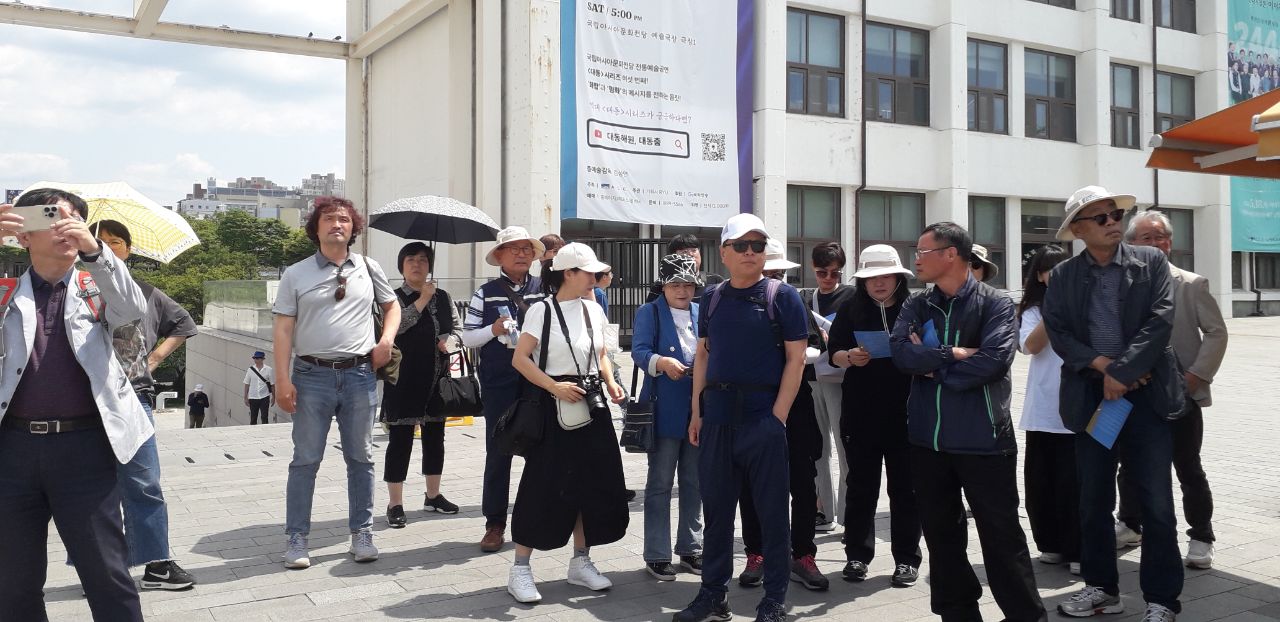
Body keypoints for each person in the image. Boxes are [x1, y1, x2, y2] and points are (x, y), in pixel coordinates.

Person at [0, 189, 152, 621]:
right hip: (12, 449)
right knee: (12, 580)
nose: (65, 226)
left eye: (74, 219)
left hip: (84, 446)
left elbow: (133, 310)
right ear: (23, 233)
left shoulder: (96, 287)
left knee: (106, 571)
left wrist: (96, 252)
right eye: (51, 217)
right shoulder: (6, 291)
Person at [1043, 187, 1186, 622]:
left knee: (1156, 501)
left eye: (1115, 214)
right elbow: (1059, 332)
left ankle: (1162, 599)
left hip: (1147, 396)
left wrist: (1123, 373)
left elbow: (1160, 319)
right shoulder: (1064, 275)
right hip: (1093, 396)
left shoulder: (1151, 261)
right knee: (1093, 500)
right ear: (1078, 230)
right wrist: (1107, 368)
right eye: (1100, 217)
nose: (1112, 222)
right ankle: (1102, 588)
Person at [891, 222, 1046, 622]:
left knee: (1002, 539)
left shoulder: (996, 304)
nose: (916, 260)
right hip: (927, 442)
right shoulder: (916, 305)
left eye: (922, 251)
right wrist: (954, 353)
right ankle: (957, 614)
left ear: (950, 255)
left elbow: (993, 362)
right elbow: (902, 356)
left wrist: (933, 366)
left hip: (985, 441)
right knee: (942, 540)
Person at [674, 214, 808, 622]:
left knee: (772, 514)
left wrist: (778, 416)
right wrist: (697, 412)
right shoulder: (712, 297)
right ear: (724, 252)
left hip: (762, 417)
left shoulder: (782, 296)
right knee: (717, 514)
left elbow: (796, 358)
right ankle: (713, 594)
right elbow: (703, 354)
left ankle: (774, 600)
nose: (751, 252)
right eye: (742, 245)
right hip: (717, 417)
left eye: (758, 245)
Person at [272, 196, 399, 569]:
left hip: (360, 375)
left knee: (361, 457)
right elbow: (283, 329)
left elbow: (391, 306)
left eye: (344, 219)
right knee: (305, 459)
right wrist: (282, 379)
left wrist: (386, 341)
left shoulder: (368, 267)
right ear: (316, 227)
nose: (336, 224)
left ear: (353, 227)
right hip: (311, 376)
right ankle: (297, 538)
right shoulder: (295, 274)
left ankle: (362, 533)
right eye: (328, 219)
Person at [507, 243, 629, 603]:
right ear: (568, 274)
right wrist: (553, 386)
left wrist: (610, 381)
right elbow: (520, 359)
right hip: (553, 405)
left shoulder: (594, 308)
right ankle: (520, 568)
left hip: (591, 404)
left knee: (592, 484)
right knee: (542, 484)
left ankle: (581, 561)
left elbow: (601, 354)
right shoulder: (541, 310)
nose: (595, 277)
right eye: (588, 272)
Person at [93, 218, 200, 590]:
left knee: (144, 482)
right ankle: (96, 565)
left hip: (134, 396)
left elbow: (183, 323)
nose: (107, 248)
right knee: (92, 487)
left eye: (115, 242)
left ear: (128, 249)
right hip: (87, 400)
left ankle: (156, 564)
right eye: (99, 242)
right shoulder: (78, 292)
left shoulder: (147, 292)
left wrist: (154, 358)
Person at [1117, 211, 1227, 570]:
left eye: (1160, 237)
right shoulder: (1121, 283)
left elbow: (1216, 332)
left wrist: (1196, 376)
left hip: (1180, 393)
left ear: (1170, 243)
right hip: (1134, 391)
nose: (1154, 244)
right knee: (1129, 465)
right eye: (1146, 238)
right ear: (1131, 244)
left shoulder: (1191, 284)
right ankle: (1130, 524)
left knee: (1188, 467)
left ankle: (1201, 536)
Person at [827, 244, 922, 587]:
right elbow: (833, 351)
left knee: (906, 489)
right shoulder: (850, 308)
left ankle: (907, 559)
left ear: (899, 278)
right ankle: (857, 555)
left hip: (907, 412)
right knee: (861, 486)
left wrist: (918, 350)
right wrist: (849, 356)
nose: (879, 283)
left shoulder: (916, 308)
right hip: (861, 412)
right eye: (872, 278)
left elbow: (930, 351)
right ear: (862, 281)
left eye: (886, 276)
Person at [738, 239, 827, 592]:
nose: (775, 278)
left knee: (803, 481)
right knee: (751, 483)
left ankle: (802, 553)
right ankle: (756, 552)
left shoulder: (794, 300)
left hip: (797, 405)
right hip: (753, 405)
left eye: (779, 273)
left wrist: (798, 358)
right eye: (770, 271)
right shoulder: (735, 300)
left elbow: (816, 345)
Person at [462, 226, 547, 552]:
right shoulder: (485, 292)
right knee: (499, 451)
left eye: (527, 249)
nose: (522, 254)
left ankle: (535, 519)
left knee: (540, 450)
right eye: (514, 249)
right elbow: (468, 337)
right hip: (498, 381)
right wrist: (493, 330)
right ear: (499, 256)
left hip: (537, 379)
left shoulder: (544, 289)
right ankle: (494, 523)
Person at [633, 254, 704, 581]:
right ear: (663, 286)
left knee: (695, 481)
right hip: (663, 407)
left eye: (688, 284)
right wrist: (661, 362)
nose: (682, 290)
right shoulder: (649, 312)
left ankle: (691, 548)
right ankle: (657, 554)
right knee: (660, 483)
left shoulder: (701, 311)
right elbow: (639, 351)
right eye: (675, 284)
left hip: (697, 408)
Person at [382, 242, 458, 529]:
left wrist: (452, 341)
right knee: (400, 441)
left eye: (423, 260)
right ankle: (395, 503)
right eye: (411, 259)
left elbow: (458, 328)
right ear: (401, 266)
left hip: (437, 378)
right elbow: (396, 327)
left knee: (435, 438)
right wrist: (423, 299)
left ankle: (433, 495)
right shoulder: (391, 297)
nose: (417, 264)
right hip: (403, 379)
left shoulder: (444, 296)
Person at [1015, 245, 1079, 575]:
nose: (1056, 274)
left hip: (1078, 409)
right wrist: (1055, 306)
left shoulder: (1085, 303)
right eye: (1049, 269)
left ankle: (1079, 548)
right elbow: (1031, 346)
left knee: (1075, 484)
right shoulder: (1033, 311)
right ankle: (1051, 544)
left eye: (1063, 267)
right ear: (1039, 276)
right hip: (1043, 410)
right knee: (1041, 484)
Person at [799, 241, 855, 533]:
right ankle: (824, 511)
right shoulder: (806, 299)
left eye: (835, 273)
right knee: (817, 448)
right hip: (811, 378)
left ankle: (848, 514)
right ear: (813, 269)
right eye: (822, 272)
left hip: (841, 379)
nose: (829, 278)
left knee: (846, 448)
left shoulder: (851, 296)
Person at [243, 352, 275, 425]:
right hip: (253, 397)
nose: (256, 360)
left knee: (264, 417)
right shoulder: (250, 370)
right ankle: (253, 431)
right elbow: (247, 384)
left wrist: (273, 397)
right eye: (255, 358)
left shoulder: (269, 369)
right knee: (253, 418)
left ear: (262, 359)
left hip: (264, 396)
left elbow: (272, 384)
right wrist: (245, 397)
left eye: (257, 358)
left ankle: (265, 430)